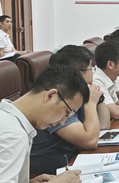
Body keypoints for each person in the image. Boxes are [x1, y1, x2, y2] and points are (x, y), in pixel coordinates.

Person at [30, 45, 111, 176]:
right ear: (78, 74)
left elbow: (104, 125)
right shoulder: (57, 98)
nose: (93, 73)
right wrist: (91, 103)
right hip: (51, 174)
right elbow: (90, 141)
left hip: (71, 163)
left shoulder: (77, 93)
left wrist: (98, 98)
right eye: (91, 69)